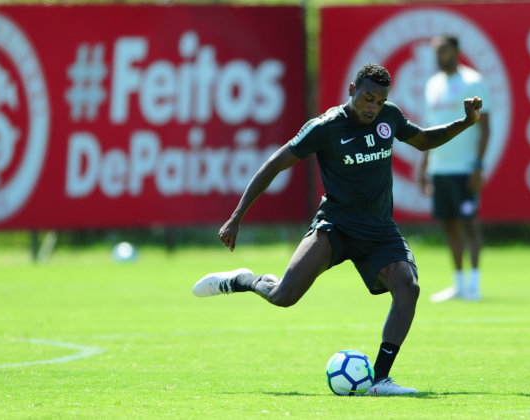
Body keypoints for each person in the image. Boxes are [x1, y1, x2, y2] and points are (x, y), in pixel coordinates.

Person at [193, 63, 483, 396]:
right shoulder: (325, 127)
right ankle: (241, 280)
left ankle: (380, 380)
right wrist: (236, 216)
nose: (372, 107)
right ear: (351, 91)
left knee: (408, 287)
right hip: (336, 226)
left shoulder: (390, 117)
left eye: (379, 100)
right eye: (367, 98)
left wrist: (465, 122)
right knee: (283, 296)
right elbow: (274, 164)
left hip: (379, 229)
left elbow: (424, 140)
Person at [419, 36, 490, 303]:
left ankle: (475, 284)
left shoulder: (473, 81)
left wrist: (478, 166)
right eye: (436, 51)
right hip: (440, 168)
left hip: (464, 169)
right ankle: (459, 284)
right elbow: (428, 129)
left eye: (444, 50)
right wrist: (424, 164)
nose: (440, 55)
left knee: (470, 225)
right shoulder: (432, 85)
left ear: (456, 51)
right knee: (449, 225)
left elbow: (486, 127)